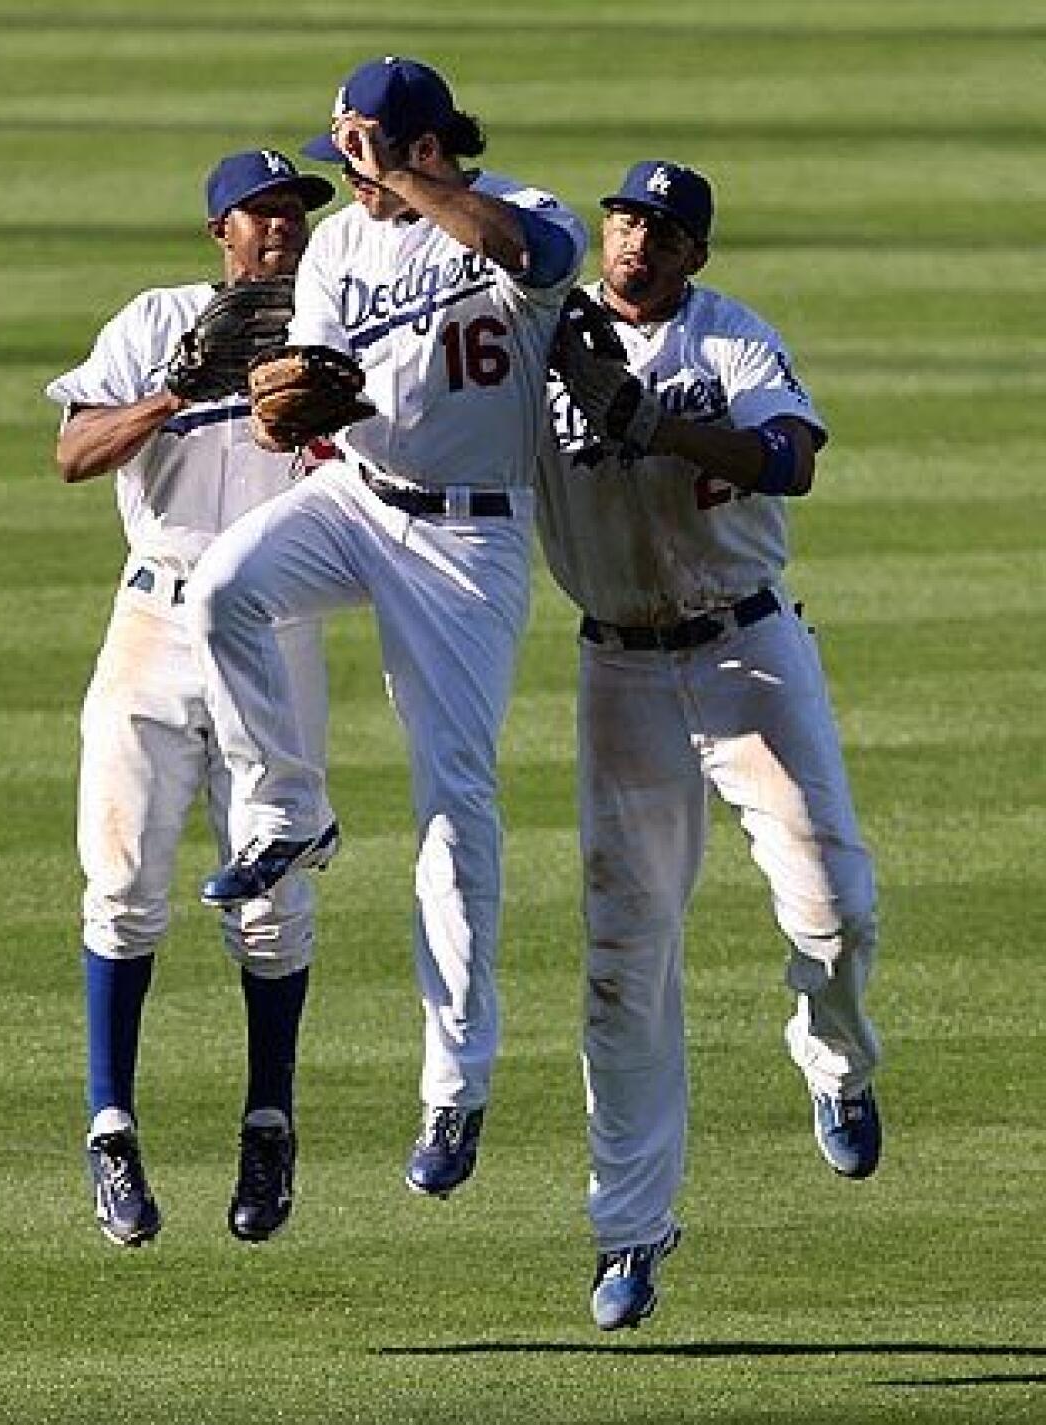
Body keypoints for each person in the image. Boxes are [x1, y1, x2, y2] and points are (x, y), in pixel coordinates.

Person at [187, 57, 586, 1199]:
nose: (344, 178)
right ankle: (292, 811)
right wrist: (281, 414)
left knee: (455, 801)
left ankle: (453, 1088)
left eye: (361, 153)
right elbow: (305, 390)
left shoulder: (518, 211)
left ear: (422, 146)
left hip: (470, 538)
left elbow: (534, 260)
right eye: (341, 155)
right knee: (226, 591)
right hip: (358, 499)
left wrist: (411, 185)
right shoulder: (343, 243)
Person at [537, 160, 882, 1330]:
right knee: (623, 960)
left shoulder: (731, 340)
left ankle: (832, 1061)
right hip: (618, 669)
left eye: (666, 231)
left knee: (836, 904)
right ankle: (629, 1233)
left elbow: (791, 458)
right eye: (626, 219)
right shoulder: (544, 340)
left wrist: (657, 425)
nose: (639, 240)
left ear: (696, 258)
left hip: (751, 651)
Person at [44, 148, 336, 1248]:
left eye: (293, 214)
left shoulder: (333, 327)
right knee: (121, 883)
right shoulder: (154, 318)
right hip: (154, 625)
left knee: (275, 902)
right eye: (260, 216)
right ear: (220, 230)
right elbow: (74, 453)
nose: (281, 231)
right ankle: (111, 1128)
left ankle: (270, 1120)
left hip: (276, 631)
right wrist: (178, 389)